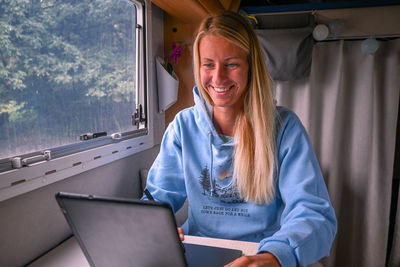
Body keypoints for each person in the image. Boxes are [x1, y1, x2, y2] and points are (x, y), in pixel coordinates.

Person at [143, 10, 337, 267]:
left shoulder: (284, 128)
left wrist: (276, 256)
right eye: (208, 64)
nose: (218, 78)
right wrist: (158, 229)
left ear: (250, 66)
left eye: (231, 64)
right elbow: (157, 201)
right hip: (199, 252)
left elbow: (314, 214)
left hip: (263, 254)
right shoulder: (182, 126)